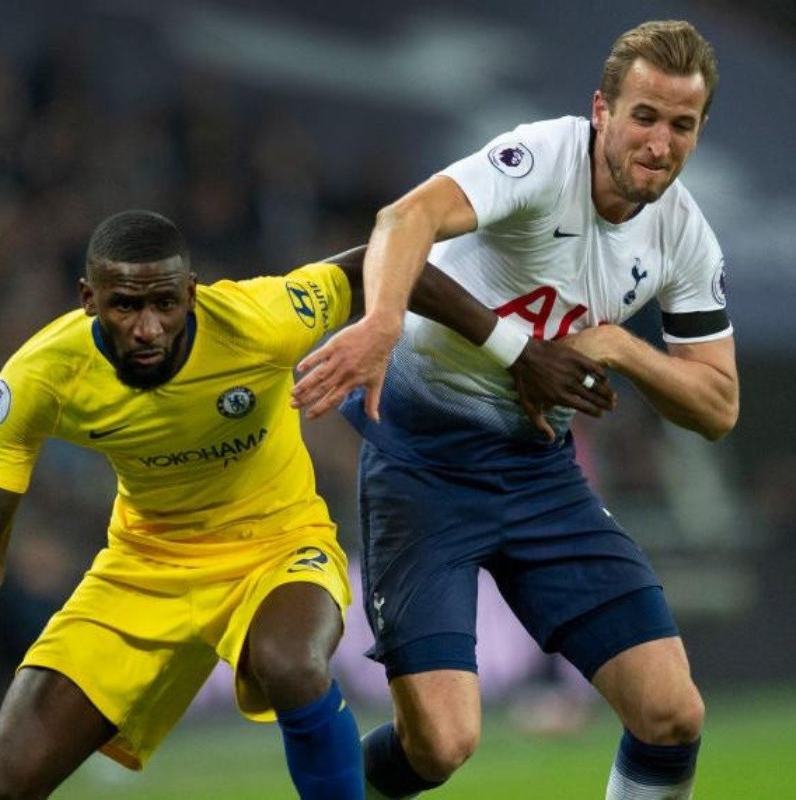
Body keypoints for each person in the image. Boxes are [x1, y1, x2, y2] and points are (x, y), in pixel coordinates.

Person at [0, 209, 608, 799]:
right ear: (87, 299)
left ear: (192, 290)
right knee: (10, 775)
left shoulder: (259, 319)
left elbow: (391, 260)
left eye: (165, 303)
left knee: (290, 663)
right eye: (125, 306)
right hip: (143, 566)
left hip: (279, 546)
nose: (148, 326)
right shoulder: (40, 377)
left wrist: (518, 354)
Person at [292, 19, 739, 800]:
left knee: (672, 713)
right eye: (644, 116)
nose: (660, 144)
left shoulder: (685, 237)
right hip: (421, 471)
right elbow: (405, 220)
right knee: (441, 746)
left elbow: (719, 405)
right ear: (602, 111)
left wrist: (625, 348)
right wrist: (383, 326)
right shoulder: (542, 155)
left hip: (539, 475)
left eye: (682, 125)